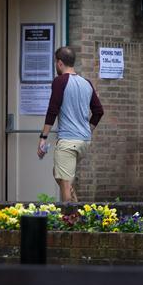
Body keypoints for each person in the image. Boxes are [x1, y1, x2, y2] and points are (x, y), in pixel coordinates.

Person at [37, 46, 103, 202]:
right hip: (84, 141)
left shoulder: (60, 82)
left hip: (67, 141)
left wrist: (43, 137)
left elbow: (52, 110)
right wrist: (88, 129)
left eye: (56, 63)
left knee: (65, 184)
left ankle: (70, 221)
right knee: (58, 173)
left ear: (59, 63)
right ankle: (75, 205)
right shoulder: (86, 83)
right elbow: (99, 111)